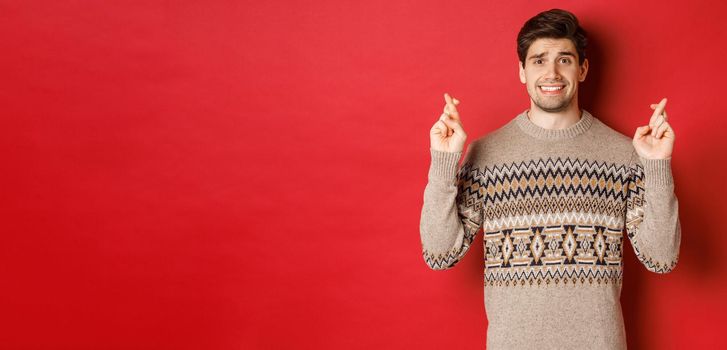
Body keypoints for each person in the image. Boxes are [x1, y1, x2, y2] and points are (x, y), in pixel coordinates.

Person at [419, 8, 680, 350]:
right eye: (539, 60)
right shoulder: (487, 153)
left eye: (565, 60)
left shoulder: (623, 154)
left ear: (583, 69)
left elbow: (661, 259)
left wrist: (658, 165)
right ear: (522, 72)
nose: (552, 72)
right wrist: (443, 159)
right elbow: (439, 254)